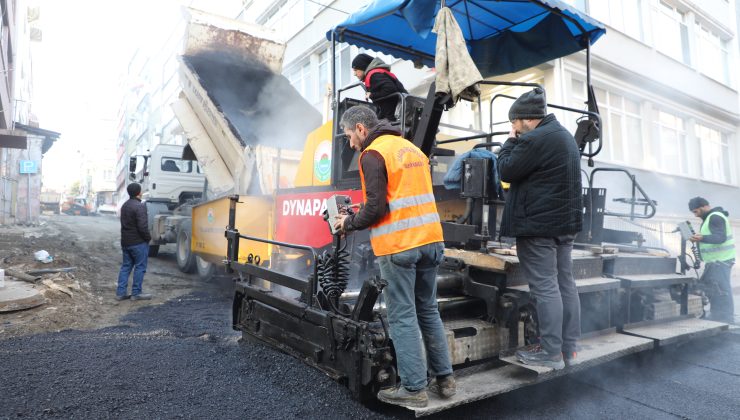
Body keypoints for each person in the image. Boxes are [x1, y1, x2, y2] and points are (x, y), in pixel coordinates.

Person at [333, 105, 454, 408]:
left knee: (402, 315)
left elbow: (377, 210)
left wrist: (347, 223)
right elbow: (399, 198)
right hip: (432, 240)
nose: (350, 143)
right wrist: (358, 212)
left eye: (349, 136)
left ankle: (414, 389)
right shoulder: (410, 148)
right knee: (428, 309)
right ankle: (445, 380)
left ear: (361, 128)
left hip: (400, 245)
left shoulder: (372, 154)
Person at [497, 88, 583, 370]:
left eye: (514, 123)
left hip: (539, 226)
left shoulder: (535, 138)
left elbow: (506, 170)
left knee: (546, 287)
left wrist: (509, 142)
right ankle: (568, 348)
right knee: (564, 284)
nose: (513, 128)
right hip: (564, 226)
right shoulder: (564, 136)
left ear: (524, 119)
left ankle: (550, 352)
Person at [688, 197, 735, 323]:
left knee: (720, 290)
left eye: (696, 211)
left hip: (721, 261)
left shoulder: (715, 217)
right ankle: (720, 316)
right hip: (717, 261)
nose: (695, 215)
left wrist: (701, 238)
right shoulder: (710, 218)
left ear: (703, 206)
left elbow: (720, 238)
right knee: (715, 288)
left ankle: (725, 318)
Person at [116, 183, 153, 301]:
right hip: (138, 242)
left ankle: (120, 293)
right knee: (140, 267)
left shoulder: (125, 205)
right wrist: (148, 238)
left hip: (126, 242)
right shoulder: (139, 206)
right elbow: (142, 227)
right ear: (139, 193)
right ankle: (136, 293)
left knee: (126, 267)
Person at [351, 53, 408, 122]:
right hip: (395, 113)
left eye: (356, 70)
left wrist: (372, 95)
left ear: (363, 67)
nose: (354, 74)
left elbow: (390, 89)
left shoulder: (374, 75)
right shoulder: (378, 73)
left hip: (395, 116)